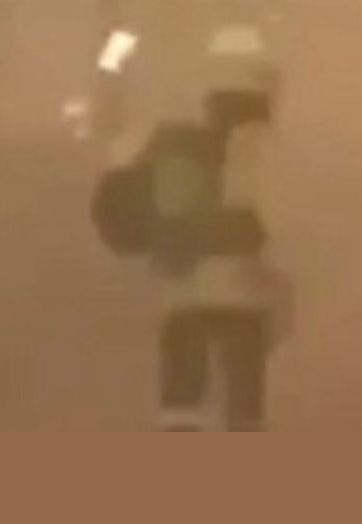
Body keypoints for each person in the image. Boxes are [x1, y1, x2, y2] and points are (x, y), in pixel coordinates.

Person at [92, 22, 291, 431]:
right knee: (243, 414)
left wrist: (112, 58)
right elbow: (279, 229)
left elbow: (118, 165)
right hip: (244, 301)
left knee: (181, 411)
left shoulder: (174, 142)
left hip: (183, 296)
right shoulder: (263, 152)